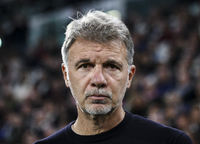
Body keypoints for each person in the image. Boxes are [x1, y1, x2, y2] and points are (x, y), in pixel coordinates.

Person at [34, 10, 193, 144]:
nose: (98, 80)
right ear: (66, 75)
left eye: (111, 66)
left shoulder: (172, 142)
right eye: (85, 66)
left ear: (130, 76)